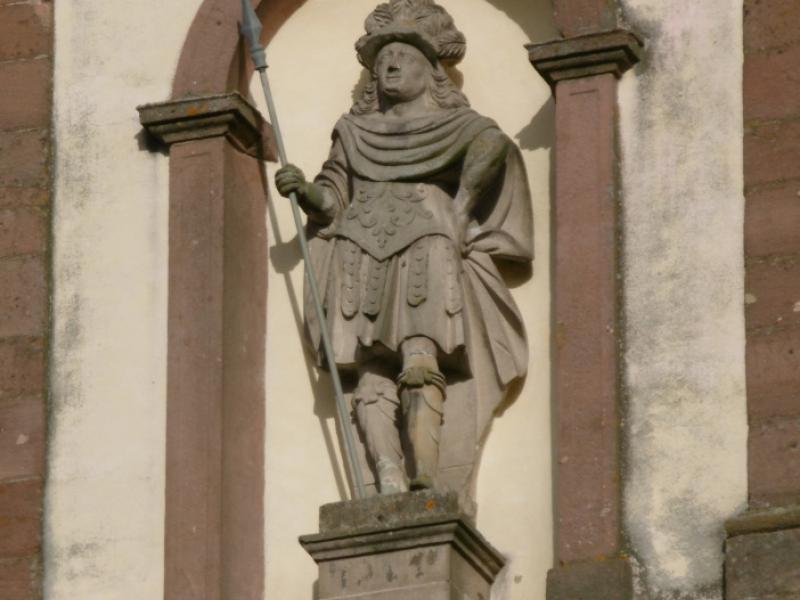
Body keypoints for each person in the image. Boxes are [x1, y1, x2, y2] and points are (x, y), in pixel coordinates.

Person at [275, 0, 533, 495]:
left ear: (430, 71)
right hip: (358, 246)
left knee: (420, 357)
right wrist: (304, 190)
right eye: (383, 59)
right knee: (370, 369)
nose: (391, 64)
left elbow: (492, 144)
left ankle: (426, 473)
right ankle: (386, 472)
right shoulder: (353, 131)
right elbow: (332, 198)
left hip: (427, 243)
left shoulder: (457, 124)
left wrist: (462, 208)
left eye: (403, 56)